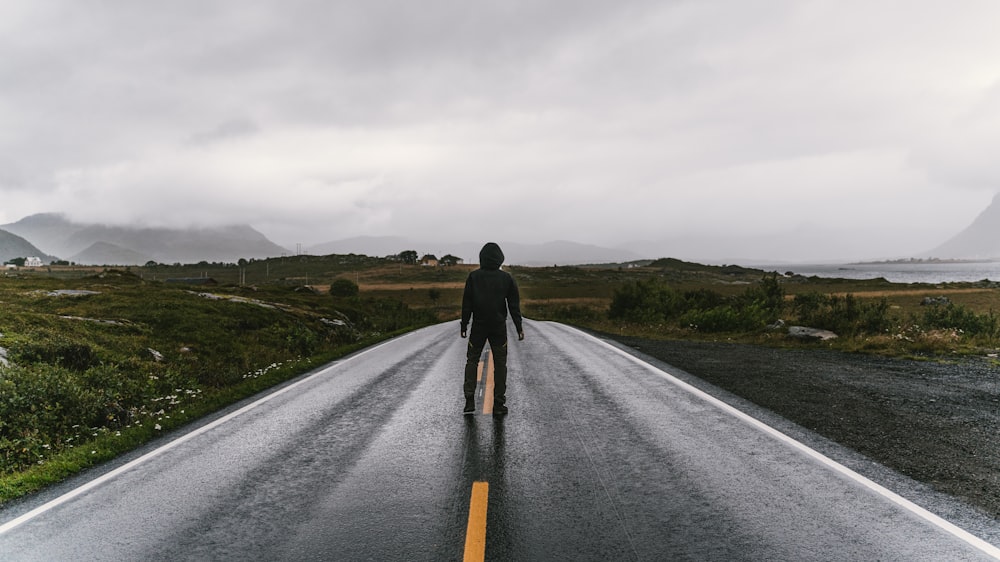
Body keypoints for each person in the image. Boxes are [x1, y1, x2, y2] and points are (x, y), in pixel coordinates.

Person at [461, 242, 524, 415]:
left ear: (482, 257)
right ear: (499, 258)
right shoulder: (507, 278)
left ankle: (469, 400)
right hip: (498, 327)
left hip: (478, 327)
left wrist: (464, 324)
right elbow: (514, 306)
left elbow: (467, 304)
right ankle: (498, 404)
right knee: (500, 364)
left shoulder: (473, 277)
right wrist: (519, 327)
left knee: (472, 360)